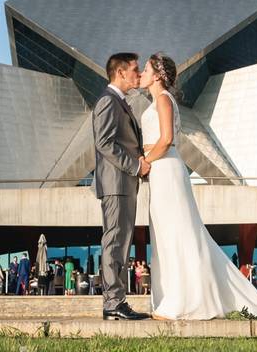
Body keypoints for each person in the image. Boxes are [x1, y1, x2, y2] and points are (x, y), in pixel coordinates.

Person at [141, 53, 257, 320]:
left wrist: (145, 161)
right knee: (165, 233)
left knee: (178, 232)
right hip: (160, 170)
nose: (142, 72)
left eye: (146, 69)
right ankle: (172, 296)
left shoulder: (162, 100)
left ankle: (182, 300)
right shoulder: (157, 101)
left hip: (165, 166)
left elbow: (167, 139)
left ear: (158, 75)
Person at [93, 52, 150, 321]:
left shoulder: (119, 102)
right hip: (116, 183)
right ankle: (113, 303)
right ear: (120, 72)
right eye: (135, 70)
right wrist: (136, 166)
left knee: (121, 243)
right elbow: (104, 144)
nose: (138, 74)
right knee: (114, 242)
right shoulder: (108, 101)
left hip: (123, 184)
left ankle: (117, 301)